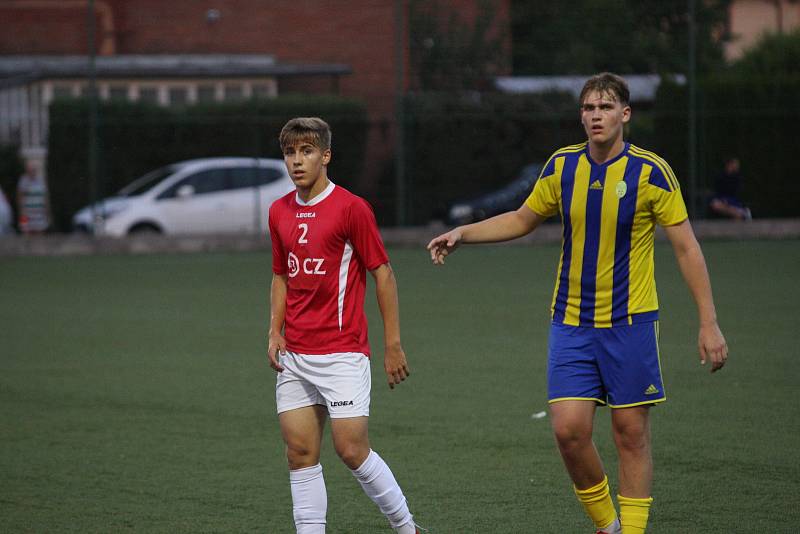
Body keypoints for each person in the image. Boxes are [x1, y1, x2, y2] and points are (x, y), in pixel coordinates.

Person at [427, 73, 728, 534]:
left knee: (630, 435)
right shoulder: (563, 166)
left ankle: (632, 531)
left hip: (631, 323)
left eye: (605, 107)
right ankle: (607, 526)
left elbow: (687, 248)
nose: (595, 116)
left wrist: (708, 322)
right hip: (571, 322)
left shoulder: (651, 172)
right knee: (568, 431)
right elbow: (525, 218)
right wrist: (464, 233)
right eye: (588, 108)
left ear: (624, 114)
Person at [267, 117, 420, 534]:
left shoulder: (351, 208)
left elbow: (383, 273)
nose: (297, 161)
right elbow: (281, 275)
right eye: (290, 152)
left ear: (326, 156)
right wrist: (274, 331)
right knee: (299, 452)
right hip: (295, 355)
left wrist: (392, 344)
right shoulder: (278, 211)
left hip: (342, 352)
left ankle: (407, 528)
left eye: (307, 151)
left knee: (351, 449)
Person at [16, 160, 50, 234]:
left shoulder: (41, 181)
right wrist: (22, 212)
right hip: (26, 214)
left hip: (39, 214)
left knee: (40, 233)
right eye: (30, 170)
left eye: (34, 170)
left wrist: (46, 211)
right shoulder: (23, 181)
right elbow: (20, 197)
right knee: (26, 232)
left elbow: (45, 197)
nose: (32, 172)